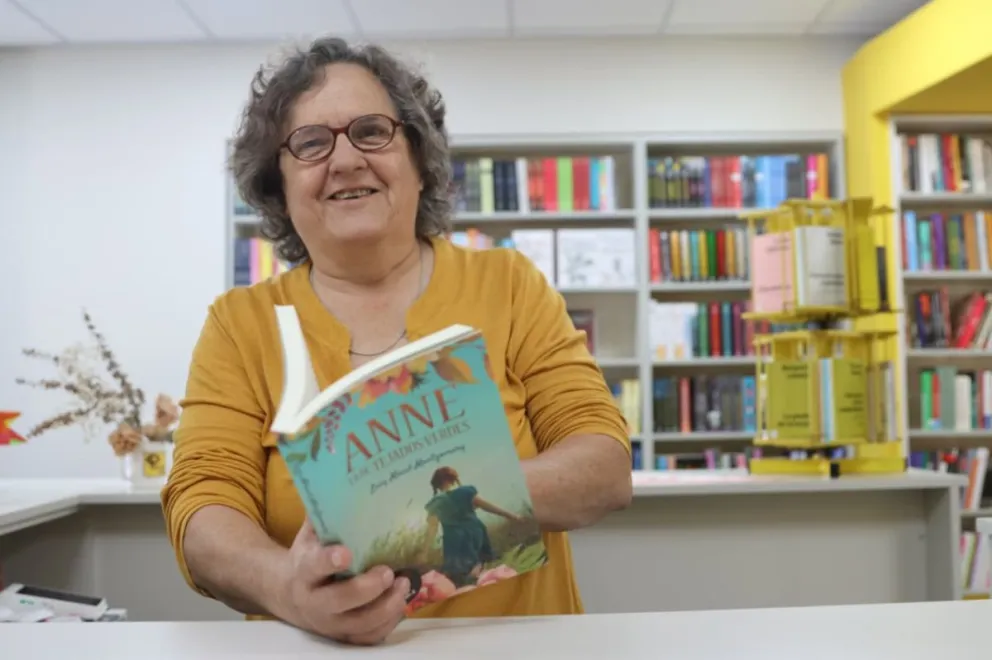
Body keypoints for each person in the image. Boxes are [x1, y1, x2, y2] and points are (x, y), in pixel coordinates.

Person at [161, 36, 633, 647]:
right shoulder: (240, 324)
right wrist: (286, 587)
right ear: (278, 184)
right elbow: (202, 504)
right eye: (310, 143)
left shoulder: (510, 285)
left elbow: (604, 466)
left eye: (371, 131)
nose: (346, 159)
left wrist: (403, 505)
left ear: (418, 158)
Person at [416, 466, 523, 588]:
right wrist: (511, 515)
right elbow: (487, 506)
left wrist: (424, 552)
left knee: (453, 573)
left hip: (453, 539)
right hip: (475, 532)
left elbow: (432, 529)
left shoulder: (435, 503)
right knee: (477, 564)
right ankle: (478, 578)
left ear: (437, 484)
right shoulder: (465, 492)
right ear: (453, 478)